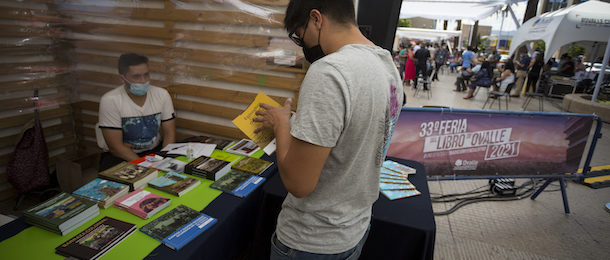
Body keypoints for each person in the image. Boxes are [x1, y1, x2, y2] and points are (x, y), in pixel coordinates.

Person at [254, 0, 404, 258]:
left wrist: (281, 125)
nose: (303, 48)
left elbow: (298, 183)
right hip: (354, 229)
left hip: (311, 239)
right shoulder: (386, 64)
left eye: (300, 37)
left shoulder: (329, 71)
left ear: (316, 19)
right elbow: (353, 133)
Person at [98, 53, 176, 171]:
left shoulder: (161, 95)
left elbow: (170, 134)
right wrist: (145, 166)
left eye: (146, 75)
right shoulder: (110, 100)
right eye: (136, 76)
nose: (143, 81)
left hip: (154, 152)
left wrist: (164, 159)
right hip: (122, 156)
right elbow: (116, 147)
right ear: (122, 78)